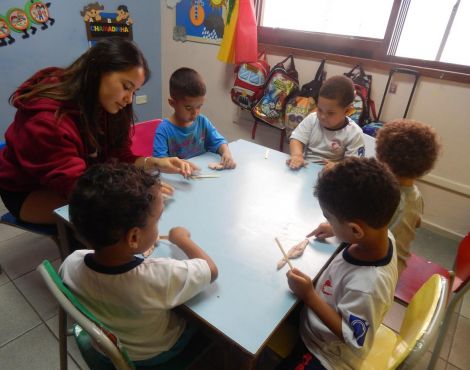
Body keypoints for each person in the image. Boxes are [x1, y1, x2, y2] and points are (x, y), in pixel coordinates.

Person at [0, 38, 196, 225]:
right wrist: (139, 194)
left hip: (82, 176)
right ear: (98, 72)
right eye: (126, 87)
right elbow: (78, 189)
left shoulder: (109, 104)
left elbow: (119, 157)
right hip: (29, 191)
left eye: (134, 91)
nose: (129, 99)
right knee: (104, 218)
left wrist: (154, 162)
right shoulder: (47, 121)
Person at [60, 162, 218, 366]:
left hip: (103, 345)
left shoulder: (71, 263)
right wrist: (181, 239)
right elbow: (211, 270)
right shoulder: (159, 275)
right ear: (133, 237)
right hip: (156, 355)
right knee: (208, 329)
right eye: (157, 219)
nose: (158, 224)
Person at [282, 157, 400, 370]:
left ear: (355, 230)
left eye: (330, 218)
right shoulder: (383, 234)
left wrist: (309, 295)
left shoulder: (368, 285)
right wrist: (335, 230)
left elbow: (355, 341)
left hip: (325, 352)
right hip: (318, 317)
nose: (328, 222)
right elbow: (361, 233)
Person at [311, 119, 441, 275]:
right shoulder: (415, 194)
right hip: (395, 261)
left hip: (379, 268)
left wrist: (335, 228)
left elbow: (365, 237)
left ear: (383, 160)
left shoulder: (384, 196)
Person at [152, 67, 236, 169]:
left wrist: (226, 153)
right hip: (179, 178)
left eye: (199, 106)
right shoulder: (164, 130)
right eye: (188, 108)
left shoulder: (203, 122)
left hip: (201, 174)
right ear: (172, 103)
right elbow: (159, 162)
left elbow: (219, 142)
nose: (195, 113)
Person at [287, 75, 365, 169]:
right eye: (320, 109)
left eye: (330, 113)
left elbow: (354, 166)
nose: (322, 116)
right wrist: (297, 155)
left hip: (334, 176)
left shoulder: (354, 134)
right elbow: (296, 139)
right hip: (306, 168)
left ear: (347, 111)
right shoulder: (312, 119)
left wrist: (338, 167)